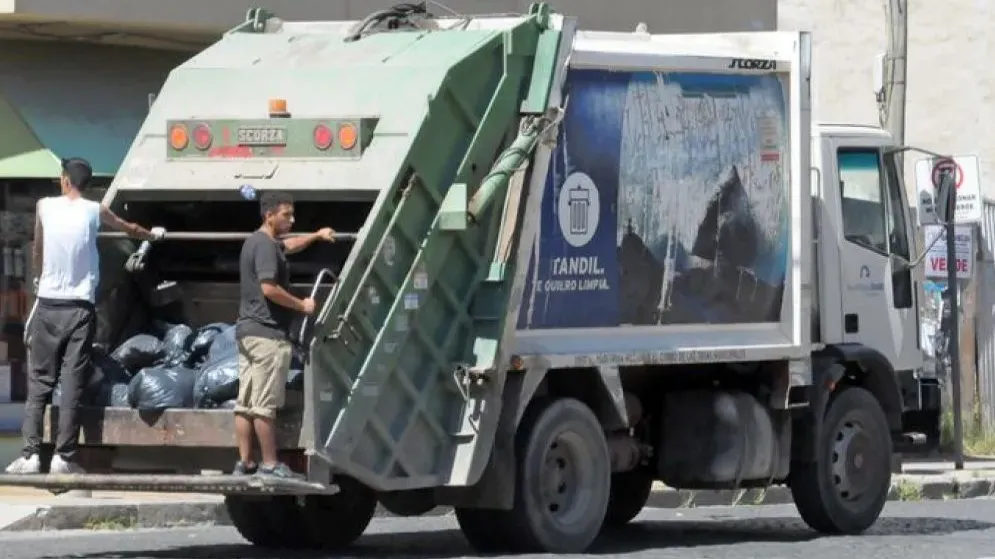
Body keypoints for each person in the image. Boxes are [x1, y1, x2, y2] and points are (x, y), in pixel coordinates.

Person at [5, 157, 164, 475]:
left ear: (64, 180)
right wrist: (153, 236)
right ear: (87, 184)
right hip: (79, 309)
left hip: (48, 305)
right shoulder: (95, 211)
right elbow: (129, 229)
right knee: (72, 382)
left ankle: (31, 455)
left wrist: (39, 280)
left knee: (39, 383)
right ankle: (63, 458)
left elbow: (39, 248)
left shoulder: (44, 206)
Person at [234, 191, 335, 478]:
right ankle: (269, 464)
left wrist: (315, 236)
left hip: (247, 332)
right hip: (267, 336)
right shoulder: (266, 247)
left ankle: (245, 462)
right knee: (265, 405)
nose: (292, 220)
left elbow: (288, 246)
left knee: (245, 403)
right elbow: (269, 288)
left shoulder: (257, 242)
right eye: (286, 215)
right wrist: (301, 305)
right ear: (269, 215)